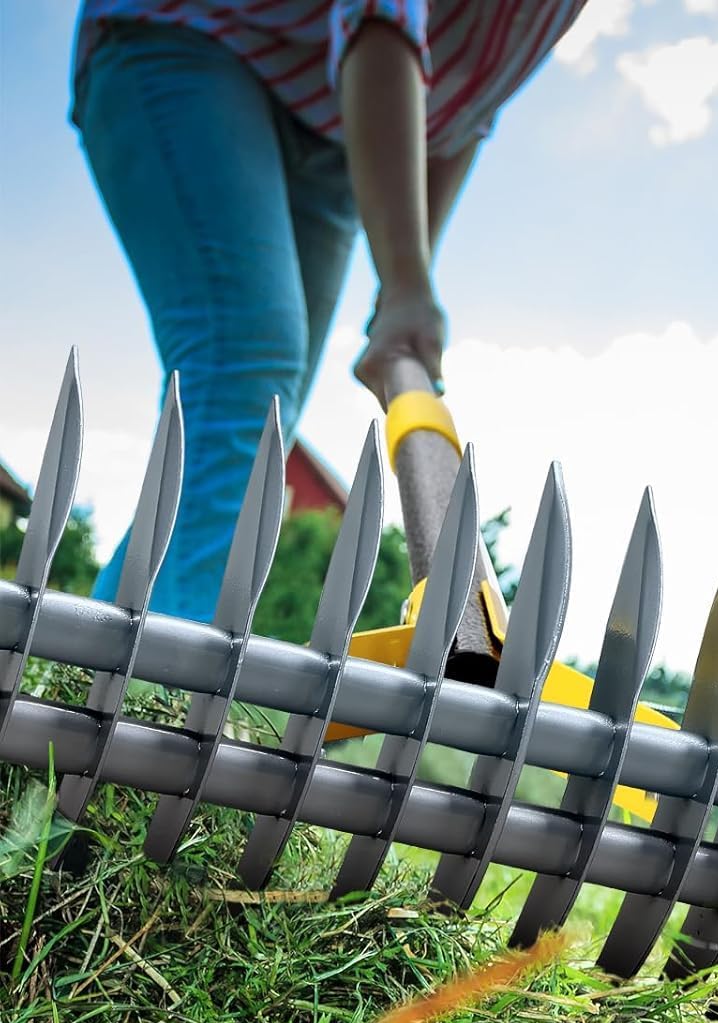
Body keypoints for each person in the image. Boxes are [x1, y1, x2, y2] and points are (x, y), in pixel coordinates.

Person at [72, 0, 587, 623]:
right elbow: (379, 19)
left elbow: (463, 113)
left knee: (262, 415)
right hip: (195, 35)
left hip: (335, 129)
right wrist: (405, 286)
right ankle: (152, 667)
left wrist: (400, 292)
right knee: (245, 358)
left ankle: (109, 647)